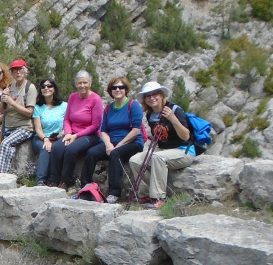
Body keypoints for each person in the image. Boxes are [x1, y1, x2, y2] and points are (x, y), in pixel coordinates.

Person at [128, 81, 194, 209]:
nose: (152, 98)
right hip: (164, 148)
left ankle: (159, 198)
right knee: (135, 160)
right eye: (148, 96)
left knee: (157, 158)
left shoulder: (174, 110)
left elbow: (186, 136)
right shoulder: (150, 114)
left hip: (183, 150)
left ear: (162, 95)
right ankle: (145, 194)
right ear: (145, 100)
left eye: (155, 94)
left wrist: (173, 119)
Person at [80, 76, 144, 204]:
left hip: (133, 142)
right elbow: (103, 130)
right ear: (111, 91)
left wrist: (119, 145)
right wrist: (108, 144)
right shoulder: (109, 108)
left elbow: (136, 130)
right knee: (92, 153)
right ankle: (85, 185)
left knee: (115, 154)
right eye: (114, 88)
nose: (118, 90)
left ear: (126, 89)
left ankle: (114, 192)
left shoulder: (133, 105)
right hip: (112, 142)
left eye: (121, 87)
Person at [47, 70, 103, 189]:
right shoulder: (73, 97)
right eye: (79, 83)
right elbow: (67, 119)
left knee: (71, 149)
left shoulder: (96, 100)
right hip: (71, 133)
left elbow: (95, 126)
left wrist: (75, 136)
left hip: (90, 135)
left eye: (85, 83)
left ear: (90, 83)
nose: (82, 86)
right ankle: (53, 179)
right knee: (57, 147)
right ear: (76, 84)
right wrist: (68, 133)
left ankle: (66, 181)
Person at [30, 78, 67, 186]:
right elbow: (38, 129)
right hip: (41, 137)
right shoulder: (38, 107)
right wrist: (45, 139)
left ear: (54, 89)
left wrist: (62, 134)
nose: (46, 88)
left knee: (56, 148)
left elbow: (68, 124)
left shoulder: (64, 106)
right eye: (43, 86)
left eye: (49, 86)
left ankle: (54, 180)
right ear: (41, 90)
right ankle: (41, 180)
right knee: (45, 148)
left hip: (59, 136)